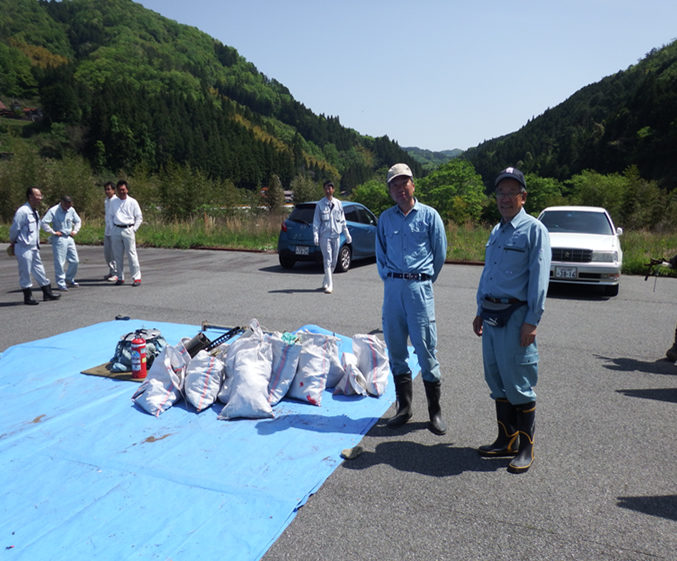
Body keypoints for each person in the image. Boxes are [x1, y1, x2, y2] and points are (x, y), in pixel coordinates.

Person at [472, 167, 551, 474]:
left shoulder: (534, 230)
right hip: (491, 315)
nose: (504, 198)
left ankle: (525, 446)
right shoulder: (497, 230)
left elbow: (539, 279)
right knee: (497, 380)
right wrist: (479, 309)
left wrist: (532, 320)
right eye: (500, 193)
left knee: (519, 382)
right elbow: (487, 274)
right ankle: (505, 438)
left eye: (511, 192)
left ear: (523, 196)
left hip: (517, 316)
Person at [376, 163, 448, 435]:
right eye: (394, 184)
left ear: (413, 184)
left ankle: (435, 412)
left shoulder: (430, 216)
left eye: (403, 182)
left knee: (426, 351)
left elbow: (439, 254)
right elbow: (380, 254)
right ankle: (404, 409)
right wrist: (391, 278)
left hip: (419, 289)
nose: (399, 188)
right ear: (390, 190)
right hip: (393, 290)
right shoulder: (385, 219)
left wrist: (424, 280)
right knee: (396, 351)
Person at [9, 187, 61, 305]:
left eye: (40, 196)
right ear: (30, 196)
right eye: (37, 195)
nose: (40, 198)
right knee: (25, 271)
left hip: (33, 247)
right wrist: (13, 242)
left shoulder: (35, 212)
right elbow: (14, 229)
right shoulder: (22, 211)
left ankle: (47, 292)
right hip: (23, 246)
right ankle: (28, 296)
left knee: (39, 270)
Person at [312, 180, 352, 293]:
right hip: (325, 236)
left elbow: (342, 220)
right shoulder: (320, 204)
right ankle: (330, 285)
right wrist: (315, 235)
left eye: (330, 188)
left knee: (334, 260)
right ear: (324, 190)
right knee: (327, 260)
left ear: (333, 189)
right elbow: (316, 222)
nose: (327, 190)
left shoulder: (338, 203)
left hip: (336, 235)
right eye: (325, 188)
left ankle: (326, 280)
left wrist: (347, 233)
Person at [41, 195, 82, 291]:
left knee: (75, 260)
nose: (68, 208)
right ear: (62, 203)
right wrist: (53, 232)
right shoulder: (53, 210)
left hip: (69, 237)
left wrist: (75, 230)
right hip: (59, 238)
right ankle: (61, 282)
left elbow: (78, 221)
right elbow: (44, 222)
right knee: (60, 262)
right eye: (67, 206)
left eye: (70, 205)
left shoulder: (71, 210)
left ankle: (69, 278)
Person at [109, 180, 143, 286]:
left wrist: (134, 229)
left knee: (131, 254)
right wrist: (112, 227)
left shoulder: (132, 202)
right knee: (117, 255)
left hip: (128, 229)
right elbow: (110, 216)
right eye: (119, 190)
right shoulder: (113, 202)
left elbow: (139, 217)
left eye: (123, 189)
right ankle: (120, 277)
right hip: (116, 229)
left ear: (127, 190)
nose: (121, 192)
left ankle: (136, 278)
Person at [103, 181, 118, 281]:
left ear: (114, 190)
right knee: (107, 253)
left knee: (114, 253)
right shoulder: (106, 201)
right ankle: (111, 271)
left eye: (109, 189)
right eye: (106, 189)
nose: (107, 191)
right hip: (107, 230)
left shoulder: (116, 200)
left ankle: (116, 273)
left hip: (114, 229)